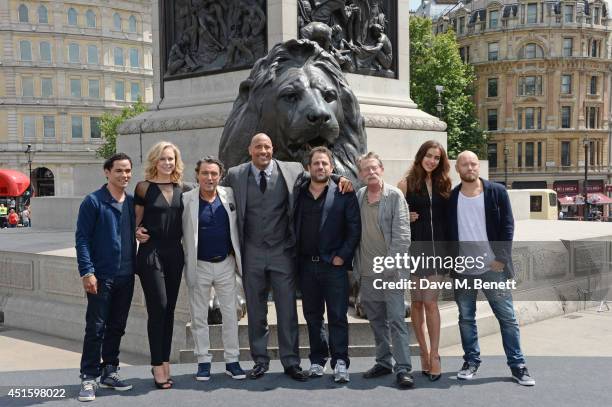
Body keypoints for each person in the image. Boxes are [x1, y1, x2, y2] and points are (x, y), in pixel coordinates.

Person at [222, 133, 352, 381]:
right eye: (258, 146)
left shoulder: (291, 170)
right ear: (250, 150)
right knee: (256, 311)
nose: (263, 151)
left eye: (268, 147)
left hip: (282, 251)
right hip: (251, 253)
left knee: (287, 310)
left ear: (274, 149)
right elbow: (214, 190)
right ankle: (260, 360)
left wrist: (339, 177)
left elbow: (319, 173)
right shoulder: (237, 174)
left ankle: (291, 361)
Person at [447, 151, 535, 386]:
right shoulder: (452, 197)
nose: (470, 167)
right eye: (465, 164)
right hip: (463, 268)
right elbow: (446, 233)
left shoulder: (496, 192)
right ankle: (471, 361)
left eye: (473, 163)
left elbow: (508, 225)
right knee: (466, 318)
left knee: (507, 318)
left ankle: (518, 366)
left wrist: (502, 259)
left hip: (493, 267)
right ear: (458, 169)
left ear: (479, 166)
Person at [295, 147, 360, 383]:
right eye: (316, 163)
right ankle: (317, 360)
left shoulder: (344, 193)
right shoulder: (299, 192)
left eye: (324, 164)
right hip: (306, 266)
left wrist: (342, 256)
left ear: (331, 168)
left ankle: (340, 361)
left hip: (334, 266)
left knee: (337, 315)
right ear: (308, 167)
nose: (320, 167)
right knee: (313, 316)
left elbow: (354, 229)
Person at [75, 153, 136, 402]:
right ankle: (89, 377)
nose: (124, 175)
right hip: (101, 276)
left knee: (117, 327)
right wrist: (87, 271)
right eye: (119, 171)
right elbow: (82, 239)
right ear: (107, 172)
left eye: (128, 171)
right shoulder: (93, 201)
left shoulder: (132, 202)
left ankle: (110, 370)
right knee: (96, 328)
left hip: (126, 275)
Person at [182, 157, 246, 381]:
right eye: (205, 173)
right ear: (197, 175)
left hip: (226, 263)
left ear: (220, 176)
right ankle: (203, 361)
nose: (209, 178)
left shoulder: (229, 195)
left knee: (230, 314)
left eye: (214, 174)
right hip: (199, 265)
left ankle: (232, 360)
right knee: (199, 316)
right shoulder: (186, 199)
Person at [355, 152, 415, 388]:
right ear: (361, 174)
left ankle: (403, 368)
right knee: (376, 321)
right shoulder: (359, 196)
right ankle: (383, 361)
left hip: (391, 273)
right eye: (366, 169)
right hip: (368, 273)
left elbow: (402, 236)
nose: (370, 172)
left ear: (381, 169)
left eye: (374, 168)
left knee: (397, 321)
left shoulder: (395, 196)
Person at [133, 141, 187, 389]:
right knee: (159, 307)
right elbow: (135, 222)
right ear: (155, 160)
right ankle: (157, 364)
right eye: (163, 158)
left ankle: (165, 360)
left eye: (171, 159)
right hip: (150, 252)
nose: (168, 163)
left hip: (175, 252)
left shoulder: (183, 189)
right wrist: (137, 232)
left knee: (170, 309)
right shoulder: (143, 188)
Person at [398, 140, 451, 381]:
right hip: (415, 251)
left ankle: (436, 354)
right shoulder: (406, 184)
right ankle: (423, 352)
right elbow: (393, 220)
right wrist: (404, 217)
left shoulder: (444, 184)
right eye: (429, 156)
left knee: (430, 302)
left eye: (437, 158)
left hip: (439, 251)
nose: (432, 161)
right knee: (417, 304)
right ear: (421, 157)